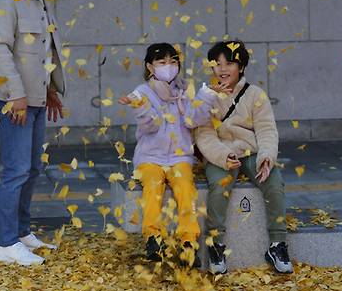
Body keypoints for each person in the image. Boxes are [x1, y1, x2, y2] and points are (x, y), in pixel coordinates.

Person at [0, 0, 67, 266]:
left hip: (32, 98)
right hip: (13, 100)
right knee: (16, 170)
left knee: (32, 168)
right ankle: (5, 245)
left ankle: (20, 232)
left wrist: (47, 88)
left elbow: (37, 51)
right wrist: (16, 94)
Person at [118, 43, 221, 268]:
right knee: (153, 185)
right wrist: (140, 107)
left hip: (179, 157)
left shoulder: (184, 91)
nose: (168, 67)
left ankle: (188, 242)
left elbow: (195, 119)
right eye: (162, 62)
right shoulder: (142, 92)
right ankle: (154, 239)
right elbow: (150, 127)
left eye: (173, 62)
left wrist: (208, 96)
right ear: (150, 66)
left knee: (185, 188)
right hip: (150, 157)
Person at [195, 40, 293, 275]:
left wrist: (267, 157)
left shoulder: (255, 94)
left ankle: (277, 244)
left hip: (252, 151)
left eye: (229, 63)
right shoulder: (207, 95)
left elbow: (267, 129)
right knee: (220, 184)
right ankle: (215, 244)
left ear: (241, 66)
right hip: (220, 153)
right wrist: (222, 155)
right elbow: (203, 133)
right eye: (217, 64)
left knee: (274, 182)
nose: (222, 69)